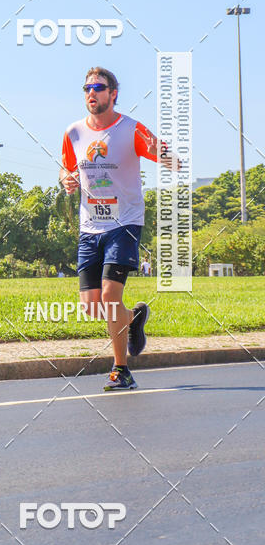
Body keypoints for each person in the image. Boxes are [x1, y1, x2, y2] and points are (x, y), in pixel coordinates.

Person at [60, 66, 176, 391]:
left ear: (113, 94)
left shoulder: (130, 129)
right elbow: (67, 167)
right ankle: (135, 319)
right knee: (93, 306)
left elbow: (162, 152)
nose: (91, 93)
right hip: (89, 227)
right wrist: (66, 179)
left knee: (111, 297)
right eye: (86, 88)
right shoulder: (73, 133)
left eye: (98, 87)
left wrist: (171, 157)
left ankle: (121, 369)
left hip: (124, 222)